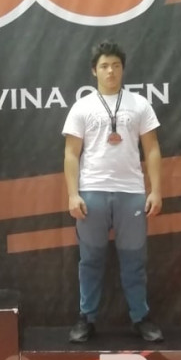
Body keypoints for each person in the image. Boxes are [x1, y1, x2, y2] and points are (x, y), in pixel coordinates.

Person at [62, 40, 163, 342]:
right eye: (104, 66)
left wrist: (156, 191)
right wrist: (72, 194)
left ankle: (140, 318)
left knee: (134, 261)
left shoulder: (139, 104)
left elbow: (152, 149)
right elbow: (71, 154)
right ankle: (86, 318)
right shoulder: (82, 107)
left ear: (123, 69)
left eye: (116, 66)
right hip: (91, 192)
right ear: (94, 71)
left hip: (131, 193)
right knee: (90, 260)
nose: (111, 71)